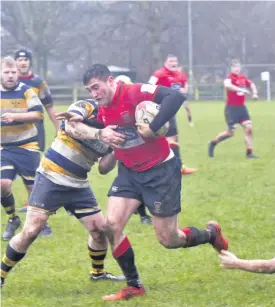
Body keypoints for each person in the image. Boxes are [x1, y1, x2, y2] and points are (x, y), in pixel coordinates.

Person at [58, 64, 229, 301]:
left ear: (110, 81)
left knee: (169, 239)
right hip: (129, 173)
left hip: (160, 172)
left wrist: (153, 127)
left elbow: (175, 96)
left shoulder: (133, 92)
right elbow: (104, 125)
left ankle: (211, 234)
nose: (95, 94)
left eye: (97, 87)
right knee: (111, 226)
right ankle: (134, 286)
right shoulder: (102, 107)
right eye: (90, 90)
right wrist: (81, 120)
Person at [0, 98, 125, 288]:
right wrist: (100, 134)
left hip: (78, 184)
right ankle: (1, 275)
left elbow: (103, 168)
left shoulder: (117, 128)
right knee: (32, 230)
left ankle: (97, 273)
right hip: (51, 176)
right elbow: (73, 127)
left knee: (99, 229)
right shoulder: (88, 106)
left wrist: (116, 149)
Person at [0, 56, 44, 240]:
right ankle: (13, 219)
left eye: (13, 72)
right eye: (6, 72)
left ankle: (41, 222)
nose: (10, 76)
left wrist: (15, 117)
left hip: (27, 145)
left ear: (17, 72)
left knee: (32, 188)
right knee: (3, 184)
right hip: (4, 148)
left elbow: (39, 114)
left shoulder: (26, 91)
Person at [14, 48, 59, 212]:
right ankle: (32, 202)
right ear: (15, 63)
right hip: (11, 132)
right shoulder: (8, 82)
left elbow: (50, 106)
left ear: (29, 62)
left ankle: (39, 203)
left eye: (25, 60)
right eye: (19, 60)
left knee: (32, 169)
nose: (22, 62)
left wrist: (58, 128)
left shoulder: (38, 83)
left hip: (34, 130)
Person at [148, 54, 197, 175]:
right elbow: (148, 87)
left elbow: (184, 89)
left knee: (172, 138)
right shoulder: (158, 74)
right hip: (158, 111)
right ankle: (175, 167)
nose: (173, 63)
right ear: (166, 62)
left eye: (175, 61)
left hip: (171, 111)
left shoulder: (180, 75)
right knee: (165, 138)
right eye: (171, 61)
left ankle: (174, 166)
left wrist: (182, 91)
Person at [114, 75, 152, 225]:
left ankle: (146, 212)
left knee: (146, 183)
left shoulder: (139, 105)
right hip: (125, 153)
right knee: (131, 185)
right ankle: (143, 215)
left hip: (143, 151)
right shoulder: (111, 107)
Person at [208, 59, 259, 158]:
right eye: (234, 67)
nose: (237, 69)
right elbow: (228, 85)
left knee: (249, 128)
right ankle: (213, 143)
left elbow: (252, 84)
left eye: (238, 66)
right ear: (231, 68)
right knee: (230, 133)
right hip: (231, 109)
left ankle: (249, 153)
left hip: (242, 108)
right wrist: (241, 89)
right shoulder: (229, 78)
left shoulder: (243, 78)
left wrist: (255, 93)